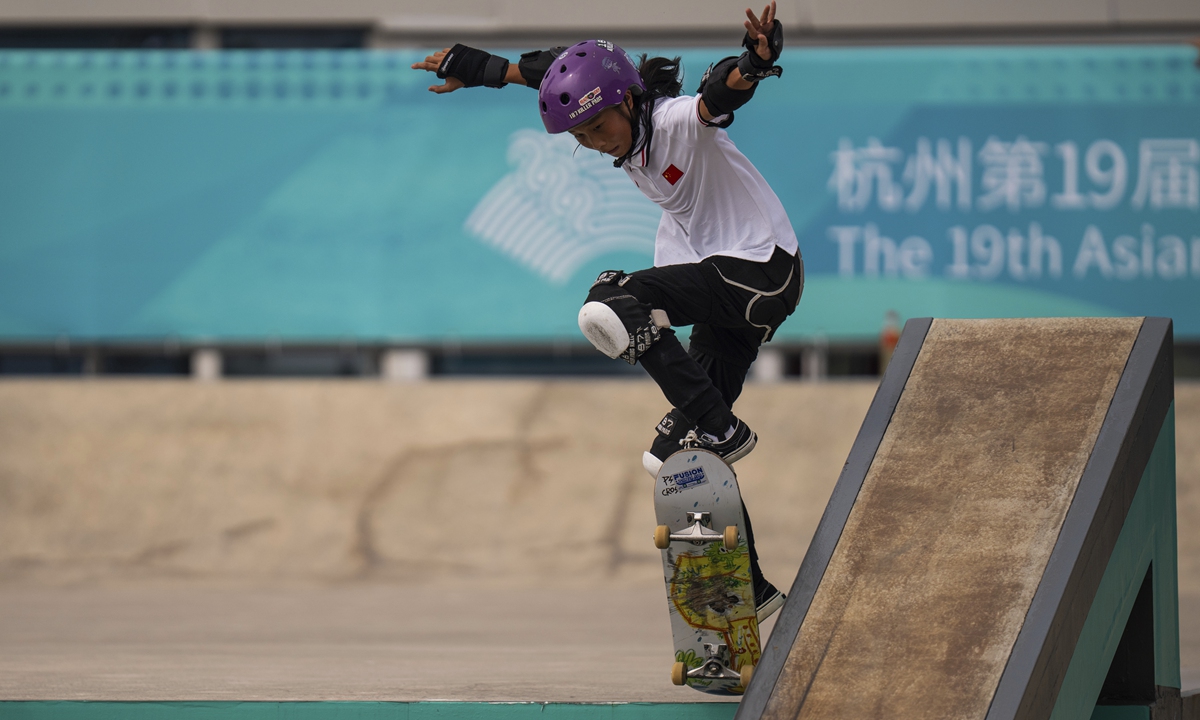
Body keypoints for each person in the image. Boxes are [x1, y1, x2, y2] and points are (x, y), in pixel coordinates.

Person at [412, 2, 801, 623]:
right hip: (728, 299)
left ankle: (726, 430)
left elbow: (717, 94)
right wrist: (481, 69)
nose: (596, 145)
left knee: (614, 300)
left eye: (600, 130)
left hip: (761, 272)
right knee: (674, 460)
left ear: (627, 101)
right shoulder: (623, 129)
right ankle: (752, 597)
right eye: (583, 139)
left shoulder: (673, 119)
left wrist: (755, 61)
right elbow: (545, 73)